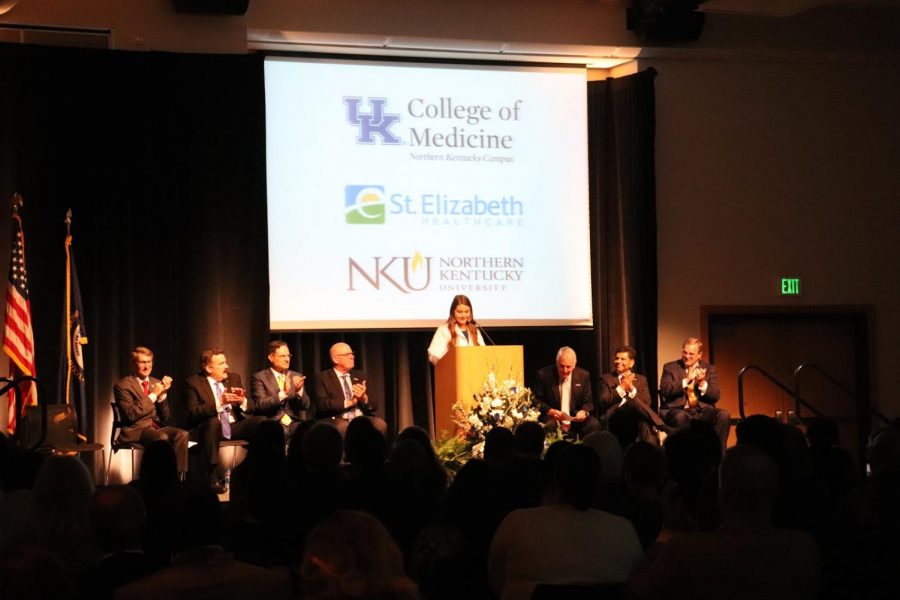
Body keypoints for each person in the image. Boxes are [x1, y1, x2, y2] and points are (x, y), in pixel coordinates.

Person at [626, 444, 820, 600]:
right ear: (775, 492)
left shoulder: (687, 549)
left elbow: (635, 589)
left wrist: (667, 530)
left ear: (721, 495)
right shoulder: (805, 548)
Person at [181, 348, 266, 493]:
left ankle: (257, 470)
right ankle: (212, 476)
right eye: (221, 363)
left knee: (262, 422)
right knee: (214, 422)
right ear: (208, 368)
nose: (226, 366)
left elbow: (251, 407)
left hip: (234, 425)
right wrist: (219, 403)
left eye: (225, 362)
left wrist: (242, 401)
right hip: (209, 428)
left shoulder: (233, 378)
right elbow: (192, 413)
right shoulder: (193, 383)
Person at [113, 346, 189, 476]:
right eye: (142, 362)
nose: (147, 366)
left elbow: (165, 418)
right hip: (136, 430)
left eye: (149, 362)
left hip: (155, 427)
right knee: (161, 437)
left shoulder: (156, 382)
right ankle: (159, 479)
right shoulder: (123, 385)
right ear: (133, 364)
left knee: (182, 434)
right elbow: (131, 415)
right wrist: (153, 395)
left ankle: (177, 477)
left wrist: (162, 396)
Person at [659, 338, 730, 448]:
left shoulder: (709, 369)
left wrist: (702, 383)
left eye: (691, 354)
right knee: (681, 417)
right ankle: (690, 456)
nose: (687, 356)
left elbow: (715, 396)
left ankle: (718, 457)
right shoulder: (670, 367)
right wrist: (686, 380)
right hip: (677, 410)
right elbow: (665, 390)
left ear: (700, 354)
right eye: (685, 352)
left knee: (723, 415)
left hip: (702, 412)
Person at [599, 345, 669, 445]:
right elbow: (604, 401)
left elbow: (646, 403)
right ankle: (662, 426)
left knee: (642, 418)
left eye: (622, 359)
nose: (618, 361)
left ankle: (649, 453)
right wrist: (622, 387)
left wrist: (632, 389)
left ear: (631, 363)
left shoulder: (641, 379)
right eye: (617, 358)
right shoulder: (606, 378)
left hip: (635, 416)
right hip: (615, 415)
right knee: (635, 405)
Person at [313, 342, 387, 437]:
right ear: (336, 359)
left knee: (380, 424)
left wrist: (364, 398)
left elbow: (374, 405)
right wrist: (349, 402)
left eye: (352, 354)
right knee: (344, 427)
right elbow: (322, 405)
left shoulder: (361, 376)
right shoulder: (322, 378)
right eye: (347, 354)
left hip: (360, 418)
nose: (352, 357)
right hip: (335, 419)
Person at [249, 340, 312, 443]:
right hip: (273, 423)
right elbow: (260, 404)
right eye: (282, 356)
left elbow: (305, 406)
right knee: (280, 431)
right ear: (271, 357)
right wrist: (284, 394)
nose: (287, 359)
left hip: (292, 422)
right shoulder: (259, 377)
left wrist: (299, 390)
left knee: (310, 429)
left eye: (288, 356)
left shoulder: (295, 376)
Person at [532, 346, 600, 438]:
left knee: (593, 424)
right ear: (556, 363)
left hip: (575, 419)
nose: (565, 370)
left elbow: (589, 402)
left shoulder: (583, 375)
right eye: (561, 366)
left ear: (574, 364)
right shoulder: (543, 375)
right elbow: (535, 400)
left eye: (568, 367)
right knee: (549, 424)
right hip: (553, 418)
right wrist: (550, 411)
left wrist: (584, 412)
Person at [427, 294, 485, 365]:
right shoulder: (444, 330)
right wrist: (446, 365)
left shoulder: (475, 330)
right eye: (459, 312)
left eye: (467, 312)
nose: (463, 316)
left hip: (474, 372)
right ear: (453, 312)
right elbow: (434, 354)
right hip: (452, 373)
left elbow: (483, 354)